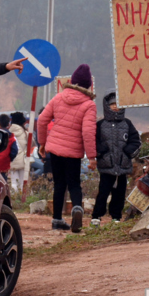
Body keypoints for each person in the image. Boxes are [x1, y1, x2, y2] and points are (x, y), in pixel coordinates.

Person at [37, 64, 98, 233]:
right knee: (74, 184)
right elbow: (88, 131)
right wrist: (92, 157)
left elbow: (42, 120)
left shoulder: (59, 97)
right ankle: (77, 207)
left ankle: (57, 219)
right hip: (73, 152)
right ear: (87, 85)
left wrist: (42, 143)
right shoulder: (89, 105)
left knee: (59, 185)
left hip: (55, 149)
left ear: (72, 81)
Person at [91, 92, 141, 226]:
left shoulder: (127, 124)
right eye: (112, 104)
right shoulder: (100, 124)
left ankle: (116, 217)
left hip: (123, 166)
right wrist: (102, 152)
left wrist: (127, 153)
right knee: (103, 192)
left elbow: (135, 141)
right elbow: (93, 141)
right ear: (107, 106)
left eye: (117, 104)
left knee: (119, 193)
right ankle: (96, 217)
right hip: (106, 166)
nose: (115, 107)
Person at [8, 112, 29, 194]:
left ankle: (13, 200)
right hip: (23, 161)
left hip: (12, 159)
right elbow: (32, 143)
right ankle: (22, 199)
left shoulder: (8, 133)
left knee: (13, 182)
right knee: (22, 182)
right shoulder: (25, 133)